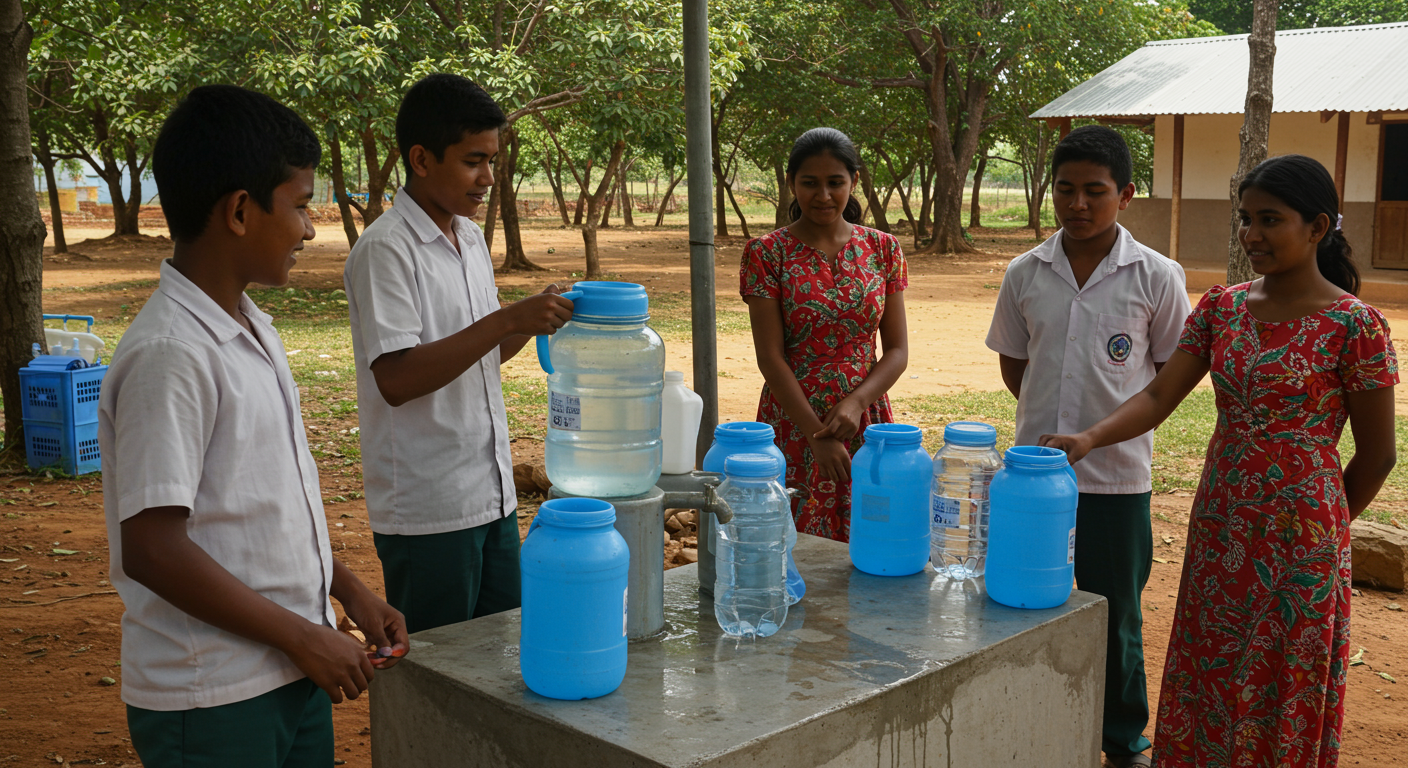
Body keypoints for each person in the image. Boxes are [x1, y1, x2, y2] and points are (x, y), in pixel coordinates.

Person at [1041, 154, 1397, 768]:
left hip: (1303, 540)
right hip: (1221, 526)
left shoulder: (1356, 325)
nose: (1251, 235)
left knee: (1284, 674)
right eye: (1244, 220)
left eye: (1269, 221)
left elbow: (1379, 454)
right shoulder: (1222, 308)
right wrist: (1088, 439)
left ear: (1317, 228)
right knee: (1215, 662)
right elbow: (1156, 396)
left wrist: (1320, 527)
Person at [100, 85, 408, 767]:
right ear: (240, 210)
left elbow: (263, 505)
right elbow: (152, 547)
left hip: (287, 670)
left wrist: (347, 590)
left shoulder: (249, 328)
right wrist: (302, 636)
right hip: (214, 694)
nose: (309, 228)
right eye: (299, 205)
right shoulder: (171, 354)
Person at [985, 125, 1190, 768]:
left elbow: (1165, 378)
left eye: (1094, 191)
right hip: (1033, 478)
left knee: (1115, 615)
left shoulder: (1157, 277)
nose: (1078, 204)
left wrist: (1094, 433)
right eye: (1066, 190)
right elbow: (1017, 366)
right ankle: (1030, 721)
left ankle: (1123, 740)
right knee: (1022, 601)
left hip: (1116, 480)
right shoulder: (1026, 272)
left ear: (1125, 195)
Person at [344, 74, 574, 633]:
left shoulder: (469, 239)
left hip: (489, 492)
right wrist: (506, 319)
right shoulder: (386, 250)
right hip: (429, 506)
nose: (488, 178)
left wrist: (534, 318)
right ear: (421, 159)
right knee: (439, 669)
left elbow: (477, 354)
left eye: (493, 161)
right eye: (474, 161)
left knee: (499, 652)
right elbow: (395, 379)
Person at [740, 127, 909, 542]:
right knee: (794, 538)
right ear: (791, 183)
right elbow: (770, 357)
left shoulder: (884, 249)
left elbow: (898, 350)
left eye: (836, 183)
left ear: (854, 182)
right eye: (809, 183)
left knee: (871, 534)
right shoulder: (767, 253)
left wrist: (856, 402)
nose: (824, 196)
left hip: (865, 418)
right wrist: (816, 436)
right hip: (794, 416)